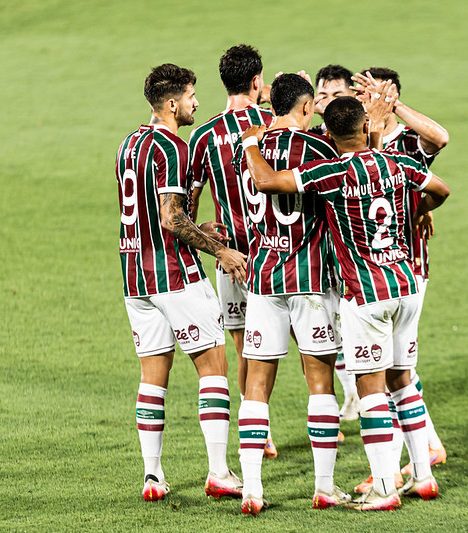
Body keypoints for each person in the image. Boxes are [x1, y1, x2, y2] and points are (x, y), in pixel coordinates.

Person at [240, 87, 451, 511]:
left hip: (366, 292)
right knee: (402, 378)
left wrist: (249, 141)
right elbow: (442, 190)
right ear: (366, 127)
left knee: (370, 389)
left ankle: (384, 488)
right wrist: (414, 209)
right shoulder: (397, 162)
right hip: (407, 284)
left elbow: (267, 181)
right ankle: (422, 476)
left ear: (332, 136)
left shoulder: (333, 172)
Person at [115, 63, 247, 502]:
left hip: (135, 278)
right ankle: (218, 473)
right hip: (175, 275)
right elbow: (171, 218)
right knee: (213, 367)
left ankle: (152, 476)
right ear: (172, 104)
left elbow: (157, 213)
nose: (195, 103)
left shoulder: (128, 145)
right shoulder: (171, 146)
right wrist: (219, 249)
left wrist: (199, 226)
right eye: (191, 96)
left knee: (152, 378)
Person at [231, 73, 348, 515]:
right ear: (304, 106)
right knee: (319, 382)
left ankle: (252, 489)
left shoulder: (251, 150)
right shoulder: (319, 149)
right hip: (311, 281)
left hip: (263, 279)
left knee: (257, 387)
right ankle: (323, 487)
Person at [349, 67, 450, 493]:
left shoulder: (407, 142)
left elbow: (440, 138)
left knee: (385, 372)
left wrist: (394, 106)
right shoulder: (356, 138)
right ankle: (425, 452)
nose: (365, 97)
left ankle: (387, 469)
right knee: (398, 370)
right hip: (383, 271)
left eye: (373, 91)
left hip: (399, 270)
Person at [188, 45, 280, 458]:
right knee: (307, 346)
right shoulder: (275, 122)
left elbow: (187, 207)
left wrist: (204, 233)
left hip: (233, 256)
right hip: (280, 253)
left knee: (245, 345)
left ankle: (257, 429)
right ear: (257, 81)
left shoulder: (203, 134)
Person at [308, 64, 360, 421]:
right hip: (320, 249)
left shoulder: (361, 137)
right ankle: (353, 393)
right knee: (328, 326)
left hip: (354, 250)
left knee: (351, 324)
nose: (328, 103)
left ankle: (362, 392)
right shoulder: (310, 140)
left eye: (336, 95)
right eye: (321, 96)